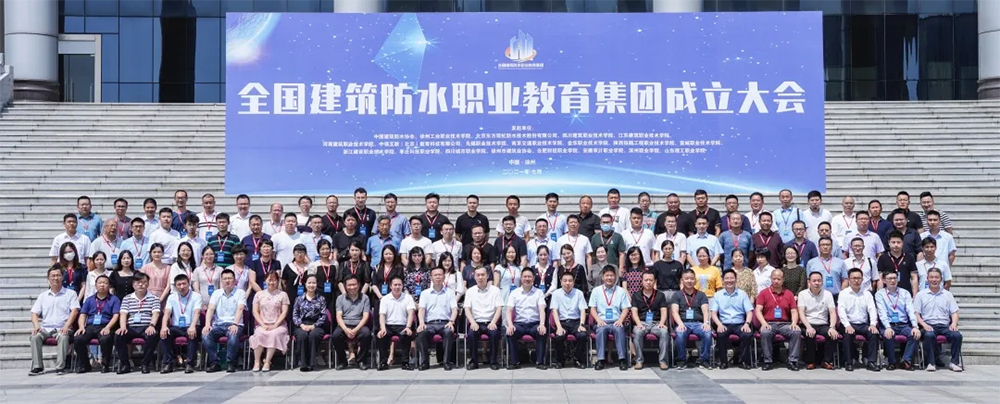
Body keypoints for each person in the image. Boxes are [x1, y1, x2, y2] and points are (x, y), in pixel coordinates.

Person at [29, 267, 80, 376]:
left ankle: (60, 367)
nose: (55, 278)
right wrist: (37, 326)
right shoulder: (43, 296)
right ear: (48, 278)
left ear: (62, 277)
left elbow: (75, 311)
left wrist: (67, 326)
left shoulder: (70, 294)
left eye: (58, 275)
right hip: (46, 328)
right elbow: (34, 313)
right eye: (53, 276)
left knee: (63, 336)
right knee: (34, 337)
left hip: (63, 327)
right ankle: (38, 366)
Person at [914, 268, 963, 372]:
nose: (934, 280)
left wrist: (954, 323)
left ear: (941, 279)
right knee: (929, 335)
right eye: (931, 277)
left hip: (944, 325)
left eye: (936, 277)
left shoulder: (947, 295)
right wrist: (924, 324)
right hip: (928, 325)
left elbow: (954, 312)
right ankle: (931, 363)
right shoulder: (921, 295)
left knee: (957, 335)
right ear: (927, 279)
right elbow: (916, 314)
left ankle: (954, 362)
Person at [754, 268, 802, 371]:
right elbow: (758, 310)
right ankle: (768, 361)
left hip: (785, 324)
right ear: (771, 279)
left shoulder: (789, 294)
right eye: (774, 279)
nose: (776, 281)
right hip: (769, 323)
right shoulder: (763, 293)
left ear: (783, 280)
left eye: (779, 279)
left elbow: (794, 311)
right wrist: (763, 323)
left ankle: (792, 361)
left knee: (796, 332)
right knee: (765, 333)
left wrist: (794, 323)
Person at [114, 272, 161, 374]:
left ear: (148, 284)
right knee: (119, 336)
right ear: (133, 284)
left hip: (146, 326)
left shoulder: (154, 298)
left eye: (144, 282)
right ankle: (125, 365)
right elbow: (123, 314)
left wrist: (152, 325)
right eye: (138, 282)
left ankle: (145, 364)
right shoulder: (127, 298)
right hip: (130, 326)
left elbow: (156, 313)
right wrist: (123, 327)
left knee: (153, 335)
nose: (141, 285)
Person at [202, 269, 247, 373]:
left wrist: (235, 324)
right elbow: (211, 309)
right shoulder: (216, 293)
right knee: (205, 335)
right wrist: (207, 324)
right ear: (221, 281)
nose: (227, 281)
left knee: (233, 334)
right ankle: (215, 362)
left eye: (230, 278)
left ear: (234, 280)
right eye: (225, 279)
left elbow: (240, 309)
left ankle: (230, 363)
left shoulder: (240, 293)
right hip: (218, 325)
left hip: (235, 324)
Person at [73, 274, 119, 374]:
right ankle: (85, 365)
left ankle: (105, 364)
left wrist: (108, 327)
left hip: (105, 326)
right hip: (90, 326)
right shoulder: (89, 300)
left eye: (105, 283)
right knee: (78, 339)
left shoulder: (114, 299)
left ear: (109, 285)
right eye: (100, 283)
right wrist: (81, 327)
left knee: (106, 339)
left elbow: (116, 315)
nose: (102, 285)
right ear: (95, 285)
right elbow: (83, 314)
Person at [875, 271, 920, 371]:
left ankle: (906, 361)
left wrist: (915, 326)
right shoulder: (880, 294)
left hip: (903, 324)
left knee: (914, 334)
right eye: (889, 278)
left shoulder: (905, 293)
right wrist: (887, 327)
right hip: (888, 324)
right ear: (884, 280)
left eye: (895, 278)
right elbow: (882, 312)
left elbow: (910, 310)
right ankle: (892, 362)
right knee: (888, 335)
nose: (892, 281)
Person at [837, 268, 881, 372]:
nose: (856, 281)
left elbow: (872, 310)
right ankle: (849, 362)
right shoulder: (843, 294)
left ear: (862, 279)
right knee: (848, 335)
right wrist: (847, 325)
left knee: (874, 333)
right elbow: (841, 311)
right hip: (848, 323)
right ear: (849, 279)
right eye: (853, 278)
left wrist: (873, 324)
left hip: (863, 324)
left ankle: (871, 362)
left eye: (859, 278)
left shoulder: (867, 294)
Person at [589, 265, 631, 371]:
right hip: (602, 321)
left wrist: (620, 320)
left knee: (619, 330)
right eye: (607, 275)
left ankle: (622, 359)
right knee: (601, 330)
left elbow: (625, 308)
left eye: (611, 275)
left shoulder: (621, 291)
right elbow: (592, 308)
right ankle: (600, 360)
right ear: (603, 277)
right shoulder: (596, 291)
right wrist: (598, 320)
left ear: (615, 277)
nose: (609, 278)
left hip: (616, 321)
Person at [504, 268, 548, 370]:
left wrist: (542, 324)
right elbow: (509, 310)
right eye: (525, 276)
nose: (527, 279)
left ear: (533, 278)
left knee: (541, 332)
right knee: (510, 332)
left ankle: (540, 362)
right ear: (521, 278)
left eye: (529, 277)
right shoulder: (515, 293)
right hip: (519, 324)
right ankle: (515, 362)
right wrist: (510, 325)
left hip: (534, 324)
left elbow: (542, 310)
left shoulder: (539, 293)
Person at [158, 274, 202, 374]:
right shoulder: (172, 297)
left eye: (184, 284)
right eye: (179, 284)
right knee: (165, 335)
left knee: (192, 334)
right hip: (176, 326)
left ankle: (189, 363)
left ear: (188, 284)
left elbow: (197, 312)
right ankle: (168, 363)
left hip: (192, 325)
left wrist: (193, 326)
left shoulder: (196, 296)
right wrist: (164, 326)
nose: (182, 287)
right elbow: (167, 313)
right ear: (175, 286)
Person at [416, 267, 458, 370]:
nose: (438, 277)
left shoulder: (450, 292)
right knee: (421, 333)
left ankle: (446, 362)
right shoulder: (425, 293)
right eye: (435, 275)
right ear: (431, 278)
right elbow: (421, 310)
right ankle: (425, 362)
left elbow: (454, 309)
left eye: (440, 275)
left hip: (445, 323)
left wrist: (451, 321)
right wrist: (421, 323)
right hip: (429, 324)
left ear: (444, 277)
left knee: (448, 332)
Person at [711, 270, 754, 370]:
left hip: (740, 323)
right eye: (727, 278)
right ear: (723, 280)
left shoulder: (742, 294)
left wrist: (747, 324)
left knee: (747, 335)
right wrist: (719, 324)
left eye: (731, 278)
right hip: (724, 323)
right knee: (721, 334)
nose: (729, 280)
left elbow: (749, 312)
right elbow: (713, 313)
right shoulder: (718, 295)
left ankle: (743, 361)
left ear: (736, 280)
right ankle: (723, 361)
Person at [797, 272, 840, 370]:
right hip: (807, 323)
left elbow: (832, 312)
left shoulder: (828, 294)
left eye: (819, 281)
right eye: (814, 281)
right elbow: (801, 313)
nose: (817, 283)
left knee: (833, 335)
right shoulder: (802, 294)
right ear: (809, 282)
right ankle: (811, 361)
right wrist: (808, 327)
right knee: (809, 334)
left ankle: (826, 361)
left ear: (822, 282)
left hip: (823, 324)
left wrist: (832, 327)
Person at [464, 266, 503, 370]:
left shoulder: (495, 290)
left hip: (491, 321)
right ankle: (474, 362)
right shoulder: (470, 291)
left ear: (487, 276)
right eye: (478, 275)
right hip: (476, 322)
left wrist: (493, 322)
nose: (480, 277)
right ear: (474, 277)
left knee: (494, 334)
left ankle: (493, 361)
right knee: (471, 334)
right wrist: (472, 322)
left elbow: (499, 308)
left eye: (483, 275)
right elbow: (467, 309)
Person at [249, 271, 290, 372]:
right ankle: (257, 361)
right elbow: (255, 311)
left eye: (274, 280)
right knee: (259, 334)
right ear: (265, 281)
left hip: (279, 325)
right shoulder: (259, 294)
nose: (272, 283)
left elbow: (284, 312)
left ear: (278, 281)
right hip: (262, 324)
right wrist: (262, 324)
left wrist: (275, 325)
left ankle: (267, 361)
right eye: (269, 280)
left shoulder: (283, 295)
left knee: (273, 334)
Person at [671, 269, 711, 368]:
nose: (689, 281)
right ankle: (681, 360)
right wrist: (680, 324)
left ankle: (704, 360)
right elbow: (674, 311)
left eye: (692, 279)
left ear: (695, 280)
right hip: (683, 322)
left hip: (698, 323)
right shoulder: (677, 295)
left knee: (707, 333)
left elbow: (705, 310)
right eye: (687, 278)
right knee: (680, 334)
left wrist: (706, 322)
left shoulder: (701, 295)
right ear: (682, 280)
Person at [549, 271, 589, 370]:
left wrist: (582, 324)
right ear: (561, 282)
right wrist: (559, 327)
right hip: (562, 322)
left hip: (576, 322)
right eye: (565, 281)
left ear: (573, 282)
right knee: (559, 337)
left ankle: (577, 359)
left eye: (570, 281)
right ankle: (560, 360)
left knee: (582, 335)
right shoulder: (556, 294)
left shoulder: (578, 293)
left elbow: (583, 310)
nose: (567, 283)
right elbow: (554, 311)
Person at [631, 271, 670, 370]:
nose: (648, 282)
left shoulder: (660, 295)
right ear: (642, 282)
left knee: (664, 332)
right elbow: (634, 312)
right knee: (637, 333)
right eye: (646, 280)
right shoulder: (636, 295)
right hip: (642, 322)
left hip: (656, 323)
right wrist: (638, 324)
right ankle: (639, 361)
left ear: (654, 281)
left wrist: (662, 323)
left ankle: (663, 361)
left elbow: (664, 311)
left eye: (651, 280)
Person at [377, 276, 416, 371]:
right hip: (388, 325)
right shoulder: (385, 299)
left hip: (403, 325)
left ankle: (405, 362)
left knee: (406, 335)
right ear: (390, 286)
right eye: (395, 285)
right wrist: (382, 328)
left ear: (402, 286)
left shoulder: (408, 298)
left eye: (399, 285)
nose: (397, 287)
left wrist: (408, 327)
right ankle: (383, 363)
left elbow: (411, 313)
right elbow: (382, 315)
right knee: (382, 336)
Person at [333, 277, 372, 370]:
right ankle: (342, 361)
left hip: (359, 325)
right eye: (349, 285)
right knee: (336, 335)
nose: (352, 287)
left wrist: (355, 329)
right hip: (345, 325)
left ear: (358, 285)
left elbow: (365, 316)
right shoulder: (340, 298)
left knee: (366, 333)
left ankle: (361, 361)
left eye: (354, 284)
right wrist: (346, 329)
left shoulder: (365, 298)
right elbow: (339, 316)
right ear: (345, 286)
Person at [292, 274, 327, 371]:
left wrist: (314, 326)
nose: (311, 285)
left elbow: (323, 315)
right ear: (305, 284)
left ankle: (312, 363)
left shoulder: (321, 299)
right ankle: (303, 363)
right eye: (309, 283)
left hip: (316, 325)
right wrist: (301, 325)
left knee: (313, 335)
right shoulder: (299, 299)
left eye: (314, 283)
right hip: (301, 324)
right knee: (302, 335)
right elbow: (295, 315)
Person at [878, 231, 919, 295]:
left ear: (903, 243)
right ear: (889, 243)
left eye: (898, 242)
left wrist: (915, 295)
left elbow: (914, 278)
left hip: (905, 294)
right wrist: (880, 294)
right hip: (887, 294)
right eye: (893, 242)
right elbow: (880, 278)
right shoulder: (883, 258)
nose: (896, 245)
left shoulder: (909, 257)